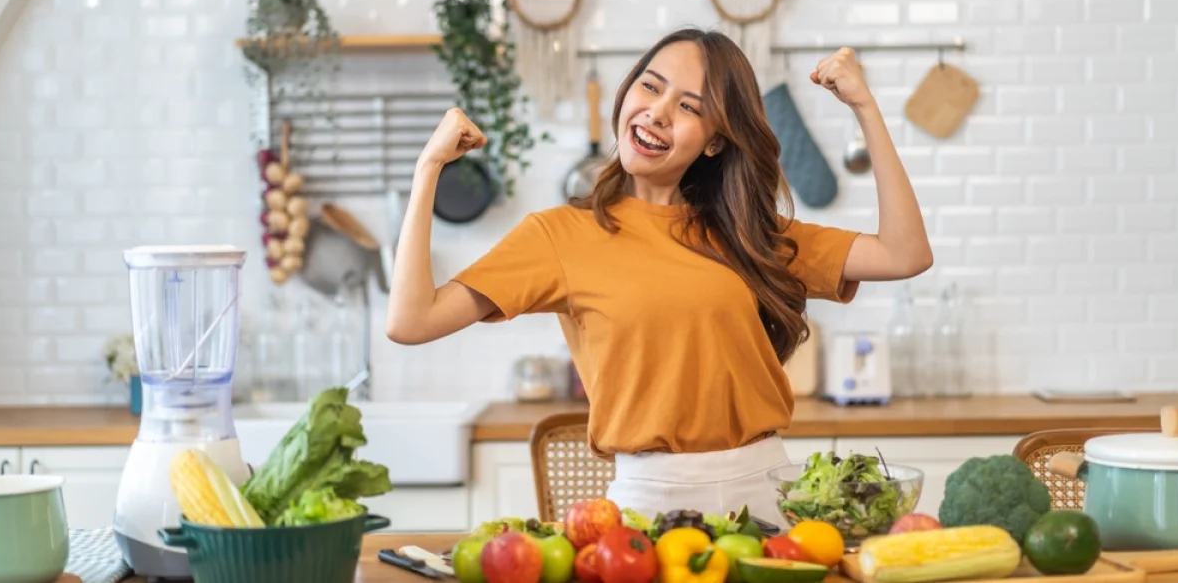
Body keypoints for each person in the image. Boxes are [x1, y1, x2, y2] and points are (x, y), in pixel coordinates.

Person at [385, 27, 932, 525]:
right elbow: (411, 322)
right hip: (644, 506)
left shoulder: (750, 232)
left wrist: (863, 106)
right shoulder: (557, 236)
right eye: (650, 87)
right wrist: (427, 169)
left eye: (690, 106)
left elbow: (904, 254)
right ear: (626, 95)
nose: (658, 111)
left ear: (715, 141)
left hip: (765, 498)